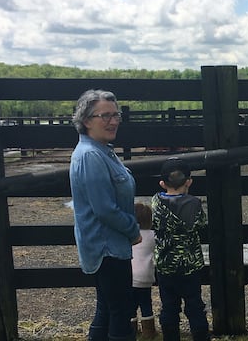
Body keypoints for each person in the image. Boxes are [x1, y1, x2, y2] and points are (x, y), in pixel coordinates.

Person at [69, 89, 142, 341]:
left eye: (116, 115)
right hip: (106, 246)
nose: (113, 121)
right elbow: (104, 209)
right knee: (121, 312)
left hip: (107, 246)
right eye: (106, 116)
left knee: (108, 310)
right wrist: (133, 231)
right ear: (87, 120)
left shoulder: (101, 150)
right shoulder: (91, 155)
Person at [151, 157, 210, 341]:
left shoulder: (156, 203)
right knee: (194, 305)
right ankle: (201, 337)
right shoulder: (193, 204)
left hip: (165, 265)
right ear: (189, 181)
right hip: (189, 266)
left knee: (168, 306)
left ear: (162, 183)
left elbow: (154, 224)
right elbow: (201, 224)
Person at [131, 202, 157, 339]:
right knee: (146, 304)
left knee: (130, 306)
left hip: (130, 277)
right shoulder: (153, 236)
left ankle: (131, 330)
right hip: (146, 276)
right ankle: (149, 331)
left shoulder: (130, 234)